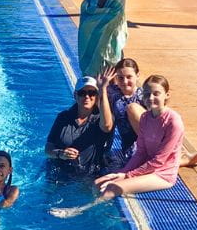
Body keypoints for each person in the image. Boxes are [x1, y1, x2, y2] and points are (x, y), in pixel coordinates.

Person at [50, 75, 184, 218]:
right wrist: (122, 171)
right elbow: (141, 152)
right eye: (147, 93)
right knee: (97, 183)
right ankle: (104, 214)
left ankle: (79, 210)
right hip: (148, 166)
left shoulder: (173, 122)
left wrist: (126, 175)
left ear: (167, 95)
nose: (150, 98)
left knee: (113, 187)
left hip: (163, 173)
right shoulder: (145, 118)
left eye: (156, 93)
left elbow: (159, 161)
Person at [44, 76, 112, 175]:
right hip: (58, 171)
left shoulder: (100, 119)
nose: (87, 97)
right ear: (75, 95)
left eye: (92, 93)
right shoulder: (63, 117)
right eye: (82, 93)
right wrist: (60, 153)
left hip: (86, 176)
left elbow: (106, 126)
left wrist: (103, 90)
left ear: (97, 96)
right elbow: (48, 148)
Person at [78, 0, 127, 78]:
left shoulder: (119, 0)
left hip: (110, 47)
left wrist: (95, 20)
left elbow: (109, 23)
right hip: (90, 47)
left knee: (109, 83)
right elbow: (85, 22)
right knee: (90, 86)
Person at [102, 59, 145, 172]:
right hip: (129, 146)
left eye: (129, 77)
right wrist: (102, 86)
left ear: (137, 75)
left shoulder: (144, 96)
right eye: (120, 78)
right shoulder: (112, 93)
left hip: (147, 139)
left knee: (133, 109)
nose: (125, 82)